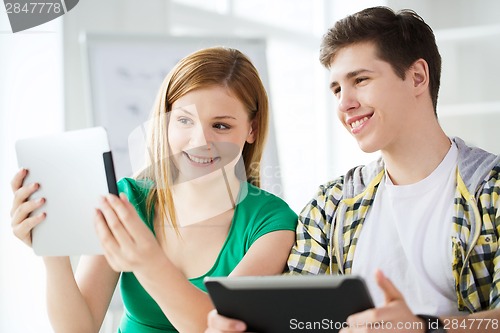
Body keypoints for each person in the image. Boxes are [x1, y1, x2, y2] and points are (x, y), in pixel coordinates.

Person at [205, 6, 500, 333]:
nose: (345, 104)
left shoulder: (491, 190)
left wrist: (423, 328)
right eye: (336, 90)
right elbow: (299, 321)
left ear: (417, 77)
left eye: (360, 80)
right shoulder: (330, 206)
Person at [10, 47, 298, 332]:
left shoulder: (272, 224)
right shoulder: (127, 200)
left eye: (221, 126)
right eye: (185, 120)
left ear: (252, 129)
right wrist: (52, 247)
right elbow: (79, 328)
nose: (200, 140)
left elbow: (216, 328)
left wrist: (148, 261)